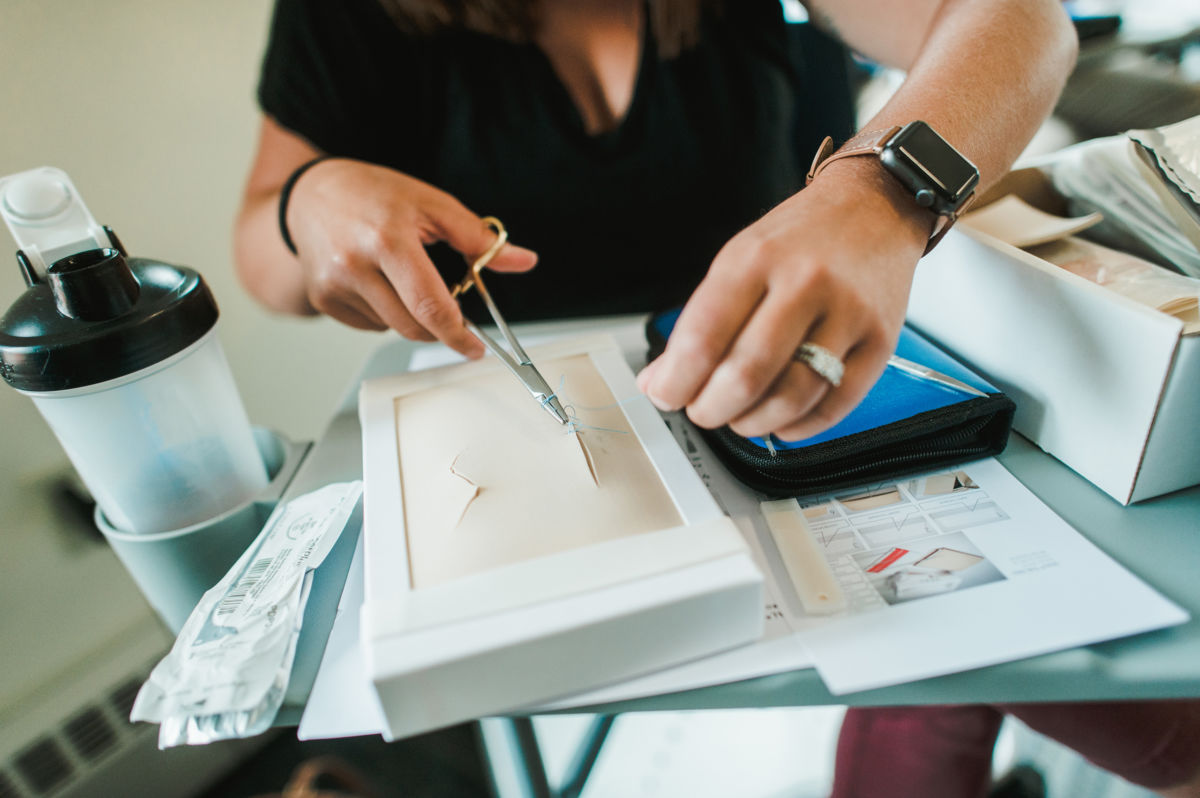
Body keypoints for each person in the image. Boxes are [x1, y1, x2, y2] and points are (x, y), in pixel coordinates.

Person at [233, 1, 1200, 795]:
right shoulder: (348, 19)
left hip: (806, 404)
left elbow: (1024, 22)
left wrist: (875, 199)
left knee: (1146, 730)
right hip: (565, 496)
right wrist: (306, 199)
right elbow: (262, 263)